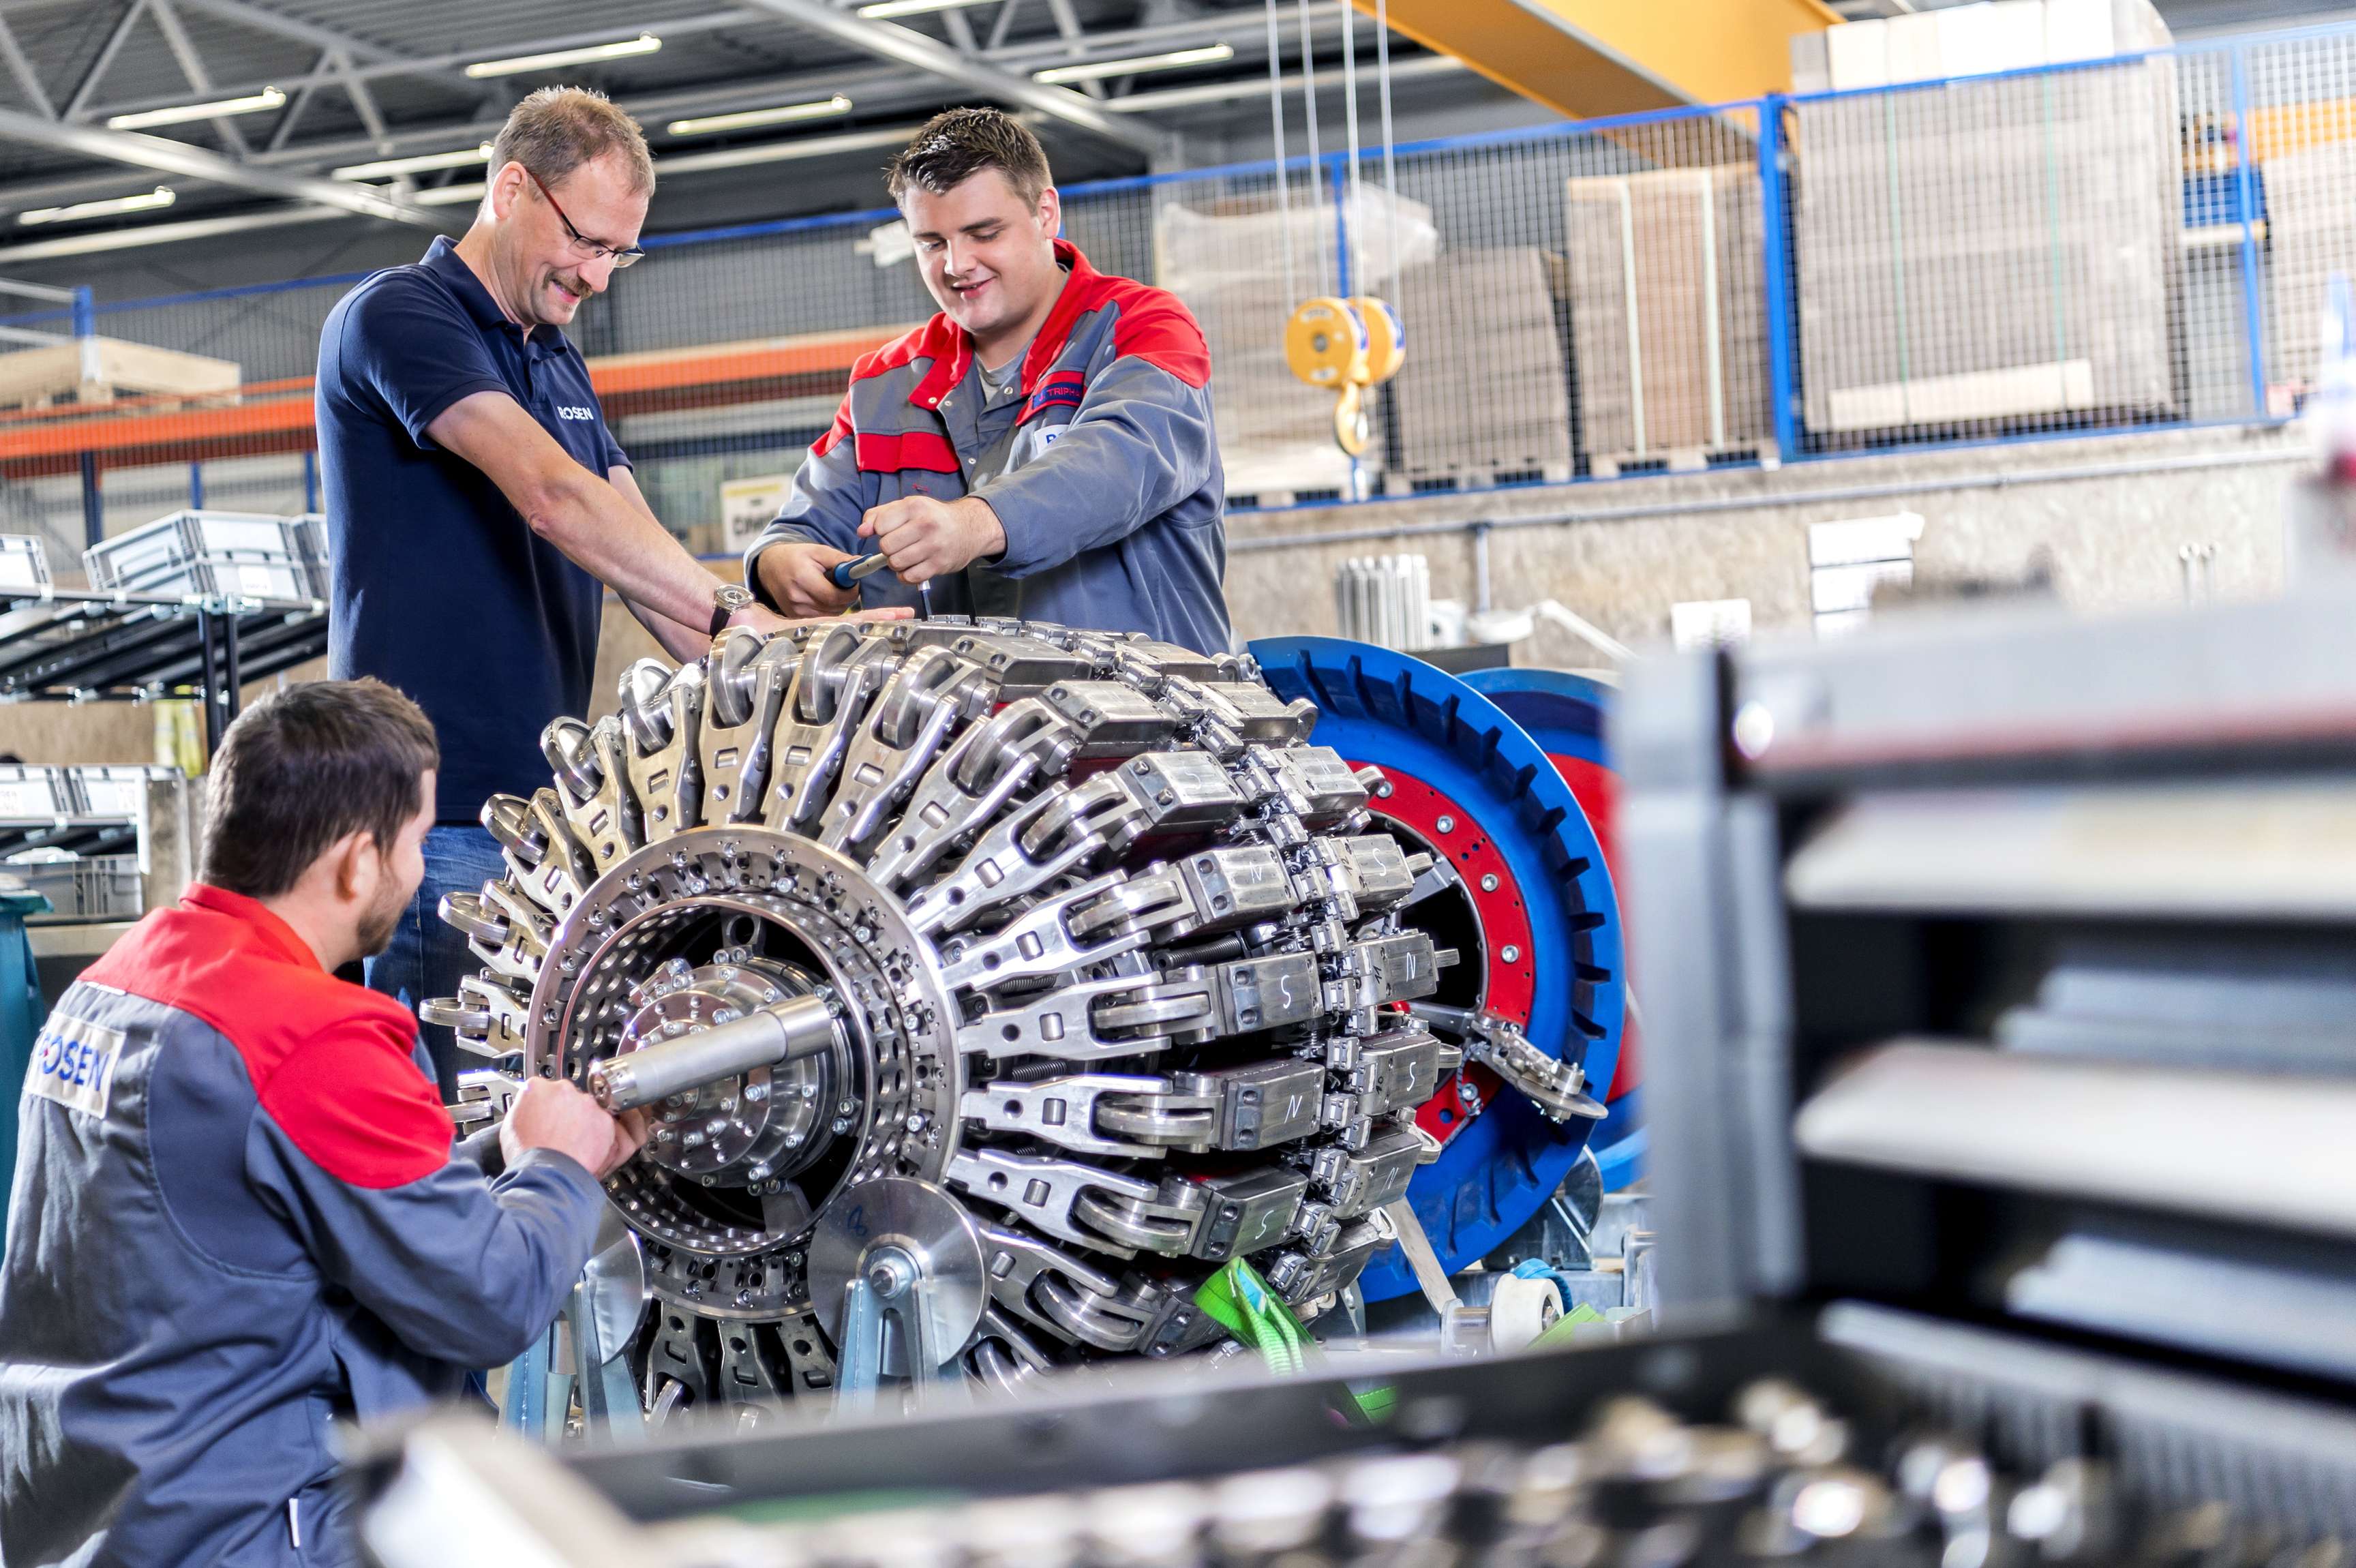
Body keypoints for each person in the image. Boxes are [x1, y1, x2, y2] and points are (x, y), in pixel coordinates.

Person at [0, 678, 643, 1567]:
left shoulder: (114, 984)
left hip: (88, 1526)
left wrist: (505, 1152)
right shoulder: (310, 1034)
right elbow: (494, 1302)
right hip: (247, 1534)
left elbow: (280, 1194)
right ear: (355, 862)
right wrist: (562, 1171)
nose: (418, 871)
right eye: (417, 842)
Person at [316, 87, 810, 1100]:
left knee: (528, 1097)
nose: (596, 275)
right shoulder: (399, 317)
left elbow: (633, 551)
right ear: (512, 189)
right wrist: (732, 618)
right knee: (453, 1123)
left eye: (619, 255)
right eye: (586, 242)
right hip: (427, 811)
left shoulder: (554, 354)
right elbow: (553, 498)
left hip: (532, 818)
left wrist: (791, 675)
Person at [745, 107, 1233, 656]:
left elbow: (1121, 460)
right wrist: (779, 562)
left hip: (1149, 725)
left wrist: (974, 525)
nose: (957, 264)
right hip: (953, 732)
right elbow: (806, 527)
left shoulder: (1144, 329)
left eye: (984, 233)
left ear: (1046, 213)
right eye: (932, 243)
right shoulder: (882, 387)